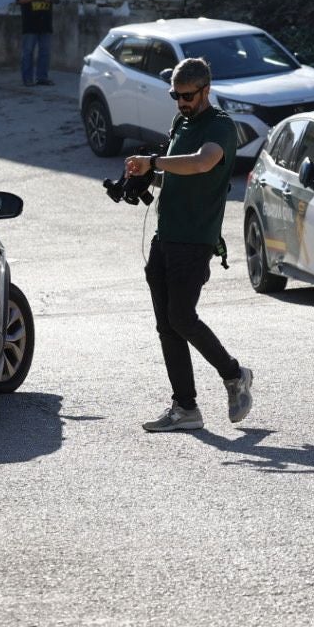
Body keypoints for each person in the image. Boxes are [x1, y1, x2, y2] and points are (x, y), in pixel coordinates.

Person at [122, 58, 253, 433]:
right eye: (175, 96)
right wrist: (144, 178)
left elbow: (201, 163)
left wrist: (154, 161)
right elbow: (177, 172)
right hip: (166, 235)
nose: (181, 102)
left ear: (205, 91)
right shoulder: (182, 122)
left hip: (195, 238)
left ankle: (234, 374)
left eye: (187, 96)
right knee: (167, 325)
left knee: (182, 316)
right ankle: (185, 407)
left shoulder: (221, 126)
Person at [14, 0, 60, 87]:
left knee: (45, 52)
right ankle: (27, 79)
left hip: (45, 24)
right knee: (28, 52)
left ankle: (42, 77)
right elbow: (19, 0)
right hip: (30, 24)